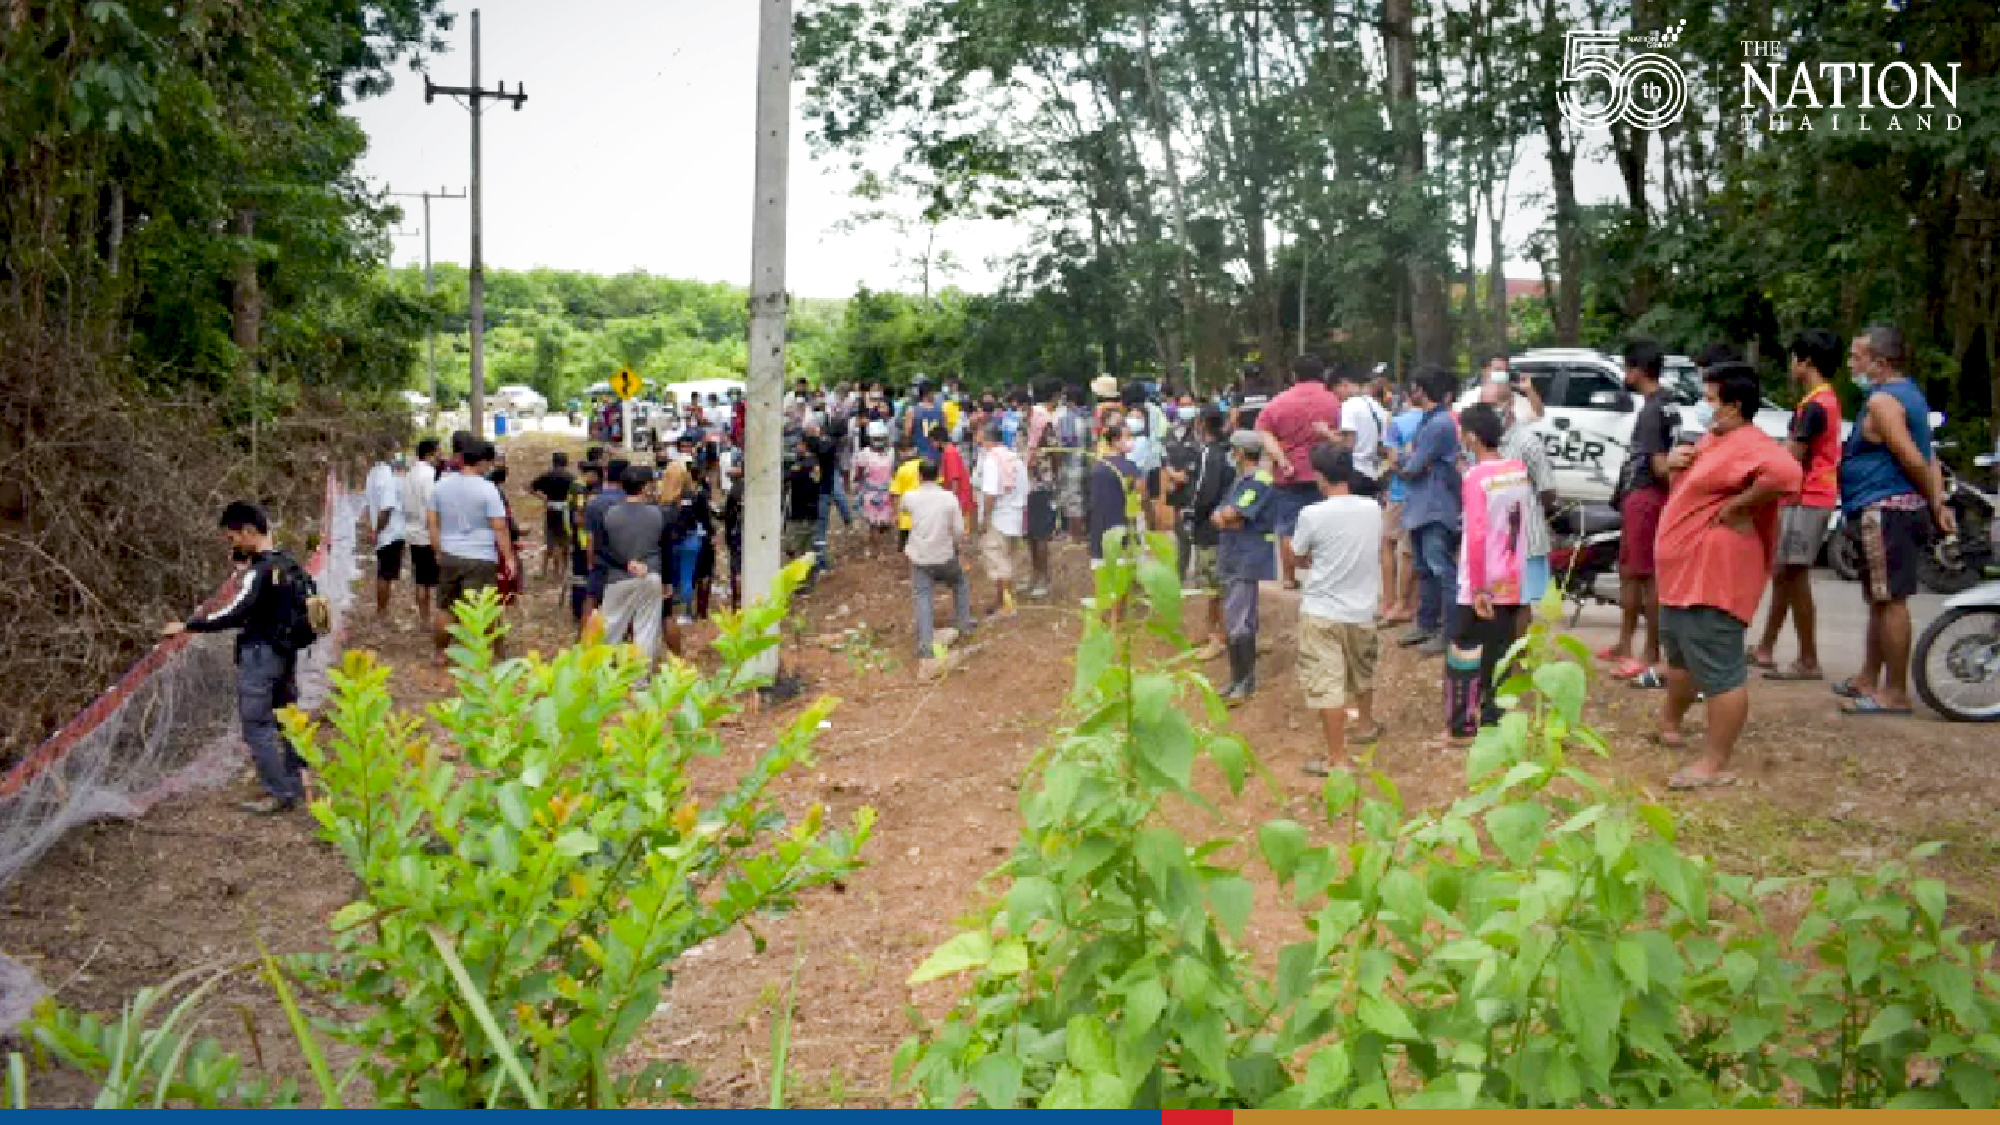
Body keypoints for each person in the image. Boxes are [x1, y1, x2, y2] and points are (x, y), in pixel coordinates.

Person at [1654, 363, 1804, 788]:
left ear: (1735, 406)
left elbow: (1787, 473)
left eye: (1711, 399)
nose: (1704, 406)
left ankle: (1715, 764)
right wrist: (1677, 464)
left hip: (1712, 574)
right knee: (1682, 653)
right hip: (1683, 574)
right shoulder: (1716, 437)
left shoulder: (1749, 443)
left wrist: (1740, 507)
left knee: (1719, 669)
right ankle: (1671, 721)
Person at [161, 502, 317, 814]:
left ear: (248, 533)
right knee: (288, 719)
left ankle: (279, 793)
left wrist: (190, 626)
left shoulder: (259, 571)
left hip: (260, 656)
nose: (232, 544)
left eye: (233, 538)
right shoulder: (288, 564)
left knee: (256, 724)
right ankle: (298, 782)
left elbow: (236, 612)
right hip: (286, 654)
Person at [1834, 325, 1954, 716]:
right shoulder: (1910, 396)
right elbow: (1930, 457)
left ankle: (1895, 692)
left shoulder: (1885, 402)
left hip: (1886, 510)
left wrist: (1936, 503)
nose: (1852, 364)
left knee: (1891, 601)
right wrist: (1936, 502)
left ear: (1880, 363)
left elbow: (1914, 459)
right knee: (1879, 598)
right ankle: (1869, 678)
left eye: (1858, 357)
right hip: (1885, 508)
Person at [1749, 331, 1844, 680]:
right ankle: (1766, 647)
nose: (1792, 366)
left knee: (1795, 574)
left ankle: (1808, 658)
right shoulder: (1821, 402)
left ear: (1806, 362)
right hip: (1807, 496)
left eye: (1794, 358)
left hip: (1807, 497)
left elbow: (1793, 456)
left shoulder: (1816, 406)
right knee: (1785, 574)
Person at [1447, 403, 1545, 740]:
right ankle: (1494, 716)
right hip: (1511, 574)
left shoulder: (1475, 477)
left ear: (1472, 436)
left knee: (1464, 649)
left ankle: (1461, 724)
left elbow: (1476, 534)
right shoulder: (1516, 469)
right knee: (1500, 650)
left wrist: (1476, 589)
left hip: (1482, 577)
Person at [1291, 446, 1384, 775]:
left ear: (1320, 477)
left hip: (1322, 609)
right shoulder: (1373, 508)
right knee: (1362, 669)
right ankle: (1366, 725)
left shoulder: (1312, 514)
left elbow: (1297, 554)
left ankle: (1337, 759)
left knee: (1327, 683)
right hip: (1362, 609)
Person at [1605, 340, 1675, 687]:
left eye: (1626, 367)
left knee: (1639, 574)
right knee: (1636, 572)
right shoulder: (1667, 403)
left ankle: (1647, 650)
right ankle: (1626, 643)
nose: (1623, 374)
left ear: (1637, 371)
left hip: (1645, 495)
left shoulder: (1652, 411)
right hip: (1648, 495)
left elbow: (1659, 463)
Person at [1255, 354, 1345, 588]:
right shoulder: (1333, 402)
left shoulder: (1278, 402)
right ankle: (1320, 574)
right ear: (1322, 374)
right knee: (1324, 524)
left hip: (1290, 473)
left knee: (1287, 526)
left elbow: (1265, 434)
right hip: (1325, 471)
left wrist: (1282, 460)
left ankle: (1288, 577)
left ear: (1294, 375)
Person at [428, 439, 517, 661]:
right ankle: (483, 652)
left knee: (446, 607)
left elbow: (432, 522)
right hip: (481, 556)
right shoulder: (488, 490)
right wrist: (509, 558)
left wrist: (438, 550)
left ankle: (441, 652)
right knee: (483, 608)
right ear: (482, 463)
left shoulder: (441, 486)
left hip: (450, 553)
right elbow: (499, 526)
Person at [1396, 366, 1464, 657]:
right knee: (1425, 569)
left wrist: (1406, 462)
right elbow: (1414, 463)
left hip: (1435, 506)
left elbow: (1410, 467)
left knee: (1440, 569)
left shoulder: (1438, 425)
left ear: (1421, 390)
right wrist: (1411, 462)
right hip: (1424, 504)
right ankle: (1426, 623)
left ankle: (1448, 632)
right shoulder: (1433, 421)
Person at [1483, 377, 1556, 638]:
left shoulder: (1527, 442)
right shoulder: (1486, 443)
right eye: (1485, 405)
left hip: (1527, 537)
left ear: (1510, 404)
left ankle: (1519, 662)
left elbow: (1547, 490)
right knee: (1499, 600)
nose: (1489, 411)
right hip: (1497, 538)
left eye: (1494, 404)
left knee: (1521, 602)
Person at [1213, 431, 1278, 704]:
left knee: (1240, 620)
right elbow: (1221, 515)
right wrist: (1225, 517)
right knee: (1234, 617)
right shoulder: (1241, 480)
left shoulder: (1258, 481)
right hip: (1234, 555)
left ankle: (1244, 681)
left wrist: (1226, 517)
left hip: (1246, 556)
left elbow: (1232, 514)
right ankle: (1236, 679)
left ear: (1240, 452)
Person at [901, 458, 975, 662]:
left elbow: (903, 510)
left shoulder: (910, 497)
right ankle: (964, 624)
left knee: (923, 596)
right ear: (938, 475)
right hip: (944, 555)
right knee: (960, 583)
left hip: (921, 557)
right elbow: (959, 531)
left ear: (919, 476)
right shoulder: (949, 498)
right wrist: (960, 549)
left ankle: (925, 646)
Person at [597, 465, 667, 662]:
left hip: (617, 578)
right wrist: (668, 581)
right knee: (646, 629)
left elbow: (601, 550)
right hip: (650, 576)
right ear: (645, 488)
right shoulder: (658, 514)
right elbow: (665, 549)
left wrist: (626, 563)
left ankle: (602, 676)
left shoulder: (609, 514)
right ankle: (640, 680)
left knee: (609, 628)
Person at [1182, 409, 1236, 660]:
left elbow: (1203, 491)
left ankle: (1219, 638)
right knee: (1214, 585)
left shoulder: (1209, 454)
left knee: (1215, 584)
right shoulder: (1226, 452)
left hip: (1209, 527)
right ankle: (1212, 630)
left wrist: (1191, 515)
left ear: (1201, 424)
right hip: (1222, 523)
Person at [1378, 389, 1423, 625]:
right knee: (1412, 548)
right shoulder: (1442, 421)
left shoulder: (1396, 422)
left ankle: (1389, 601)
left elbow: (1393, 460)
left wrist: (1404, 473)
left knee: (1388, 543)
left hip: (1399, 491)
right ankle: (1411, 603)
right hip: (1424, 493)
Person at [975, 423, 1028, 617]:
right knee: (1007, 560)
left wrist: (984, 519)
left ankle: (1006, 605)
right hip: (1015, 516)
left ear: (985, 437)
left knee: (998, 562)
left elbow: (990, 494)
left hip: (998, 517)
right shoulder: (1015, 459)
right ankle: (1002, 600)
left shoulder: (991, 460)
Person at [1086, 422, 1141, 569]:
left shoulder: (1097, 465)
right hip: (1122, 529)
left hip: (1099, 532)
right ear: (1116, 441)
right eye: (1128, 437)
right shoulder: (1129, 467)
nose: (1131, 441)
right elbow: (1139, 494)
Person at [401, 438, 441, 625]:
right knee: (436, 580)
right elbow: (431, 505)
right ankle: (438, 619)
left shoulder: (410, 474)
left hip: (413, 531)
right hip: (427, 533)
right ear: (430, 453)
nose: (441, 455)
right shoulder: (429, 475)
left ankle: (424, 619)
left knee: (420, 579)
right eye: (438, 452)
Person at [364, 448, 405, 619]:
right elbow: (386, 509)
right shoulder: (388, 477)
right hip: (390, 532)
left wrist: (371, 527)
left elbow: (368, 505)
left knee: (383, 572)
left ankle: (382, 610)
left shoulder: (373, 473)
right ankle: (382, 612)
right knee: (385, 575)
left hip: (383, 532)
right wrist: (376, 529)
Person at [530, 452, 577, 582]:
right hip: (565, 510)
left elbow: (530, 487)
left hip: (551, 508)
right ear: (566, 462)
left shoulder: (547, 476)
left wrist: (543, 498)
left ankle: (547, 571)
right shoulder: (571, 478)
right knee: (565, 541)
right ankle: (563, 571)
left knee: (551, 540)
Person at [784, 434, 823, 575]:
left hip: (801, 511)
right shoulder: (813, 463)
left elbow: (788, 476)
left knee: (797, 547)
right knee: (805, 547)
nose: (797, 447)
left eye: (799, 444)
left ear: (806, 446)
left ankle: (802, 580)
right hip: (809, 510)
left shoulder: (803, 466)